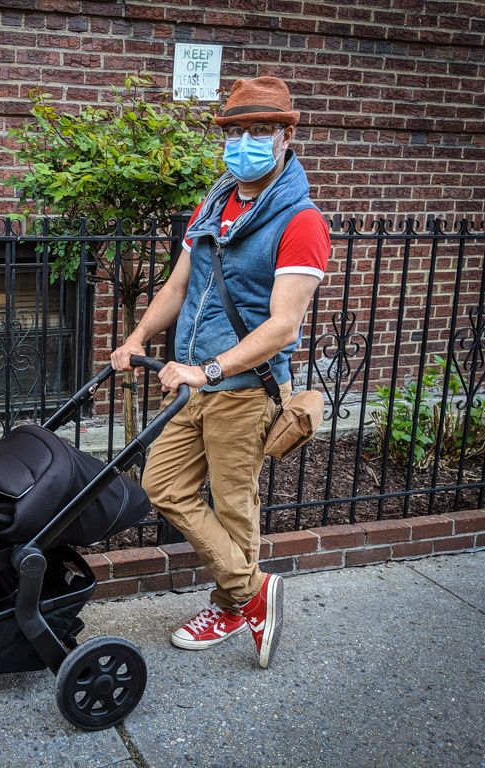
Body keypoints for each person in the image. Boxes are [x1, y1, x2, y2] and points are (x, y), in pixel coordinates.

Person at [110, 76, 330, 669]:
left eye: (261, 130)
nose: (245, 143)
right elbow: (178, 287)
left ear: (286, 137)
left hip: (243, 390)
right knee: (163, 485)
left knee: (234, 505)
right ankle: (254, 591)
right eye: (236, 132)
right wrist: (135, 339)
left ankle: (232, 606)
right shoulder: (215, 204)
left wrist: (206, 370)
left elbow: (283, 326)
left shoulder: (301, 221)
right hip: (192, 384)